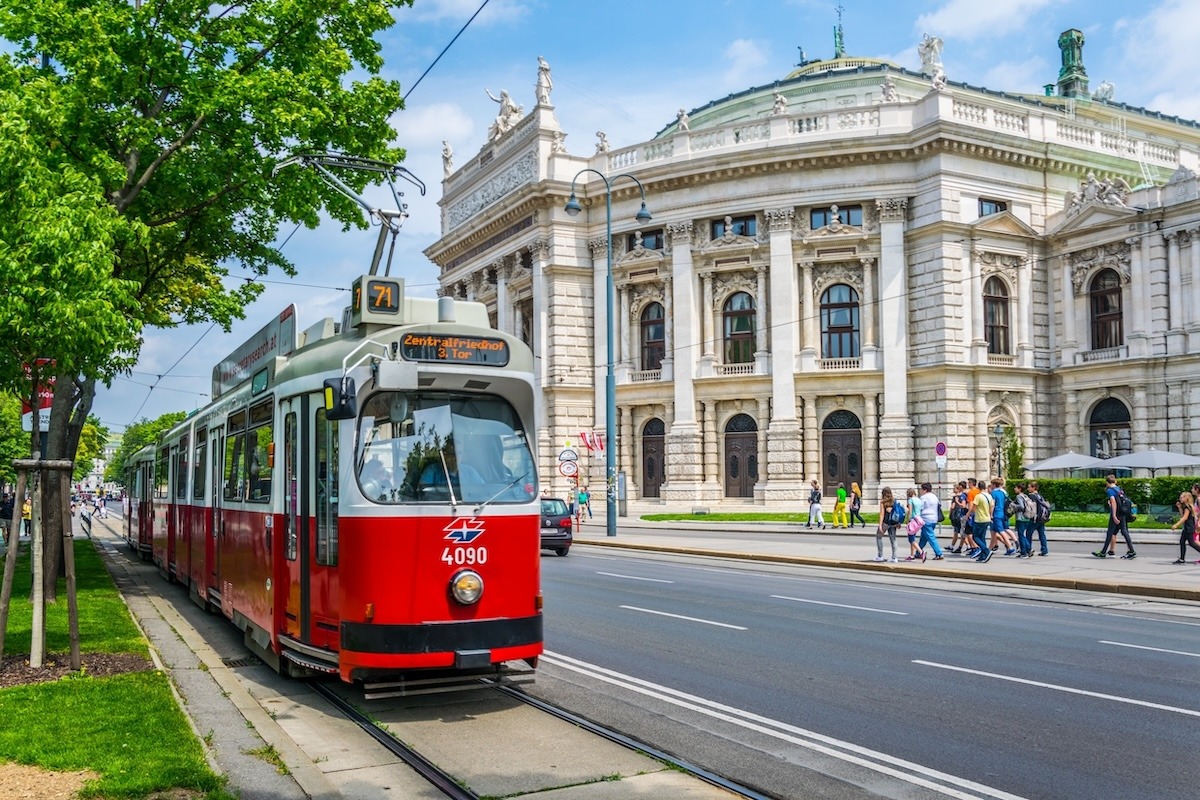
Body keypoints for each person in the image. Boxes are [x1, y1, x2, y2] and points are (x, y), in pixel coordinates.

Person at [1094, 474, 1136, 559]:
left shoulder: (1110, 490)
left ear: (1107, 482)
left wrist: (1113, 515)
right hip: (1123, 513)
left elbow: (1113, 502)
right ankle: (1131, 551)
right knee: (1124, 531)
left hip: (1117, 513)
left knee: (1110, 533)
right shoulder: (1119, 489)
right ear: (1115, 481)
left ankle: (1103, 552)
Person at [1170, 491, 1200, 564]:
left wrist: (1176, 525)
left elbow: (1184, 518)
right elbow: (1183, 515)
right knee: (1182, 541)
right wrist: (1180, 508)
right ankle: (1182, 558)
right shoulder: (1188, 506)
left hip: (1189, 527)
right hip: (1188, 527)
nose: (1180, 498)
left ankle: (1182, 559)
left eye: (1182, 497)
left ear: (1187, 498)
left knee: (1191, 543)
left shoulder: (1187, 507)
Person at [917, 482, 945, 560]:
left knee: (931, 537)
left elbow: (919, 507)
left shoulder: (923, 498)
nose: (921, 491)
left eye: (921, 489)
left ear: (925, 490)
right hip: (934, 518)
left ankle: (939, 553)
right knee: (924, 537)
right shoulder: (934, 496)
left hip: (926, 519)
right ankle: (918, 552)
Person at [970, 483, 994, 562]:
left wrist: (968, 515)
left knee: (975, 537)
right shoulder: (989, 496)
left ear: (978, 487)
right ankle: (983, 556)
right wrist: (990, 516)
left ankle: (986, 551)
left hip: (979, 519)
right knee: (982, 537)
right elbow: (991, 507)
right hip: (987, 518)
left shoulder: (978, 496)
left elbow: (973, 509)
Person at [1026, 480, 1050, 556]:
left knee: (1028, 533)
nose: (1028, 489)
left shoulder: (1032, 496)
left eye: (1029, 487)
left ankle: (1028, 549)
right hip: (1042, 518)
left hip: (1035, 518)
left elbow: (1031, 507)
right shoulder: (1040, 496)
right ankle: (1044, 549)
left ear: (1034, 488)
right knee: (1042, 534)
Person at [875, 486, 899, 562]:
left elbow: (882, 514)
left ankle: (880, 555)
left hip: (885, 522)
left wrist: (880, 525)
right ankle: (894, 557)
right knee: (893, 539)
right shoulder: (894, 501)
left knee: (879, 537)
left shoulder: (883, 502)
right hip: (893, 522)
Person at [1012, 483, 1034, 558]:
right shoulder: (1025, 496)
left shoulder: (1019, 496)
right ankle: (1024, 551)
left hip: (1021, 518)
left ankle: (1027, 550)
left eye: (1016, 488)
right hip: (1027, 517)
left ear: (1019, 489)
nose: (1014, 489)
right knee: (1022, 534)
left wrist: (1013, 505)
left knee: (1021, 535)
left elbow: (1021, 506)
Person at [904, 487, 922, 561]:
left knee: (911, 539)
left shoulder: (910, 500)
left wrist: (907, 520)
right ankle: (912, 555)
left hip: (912, 521)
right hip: (918, 520)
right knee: (913, 537)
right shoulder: (919, 500)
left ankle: (921, 552)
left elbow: (910, 512)